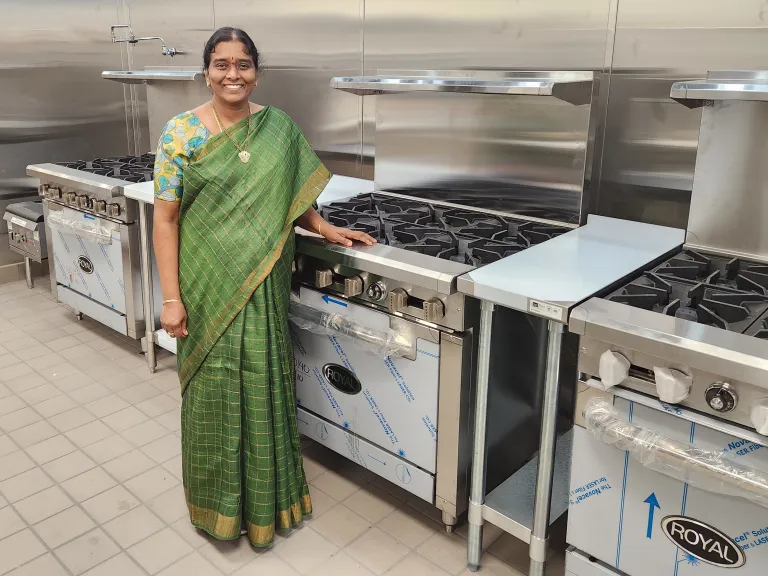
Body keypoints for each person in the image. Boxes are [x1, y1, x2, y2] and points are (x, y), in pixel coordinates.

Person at [152, 27, 376, 548]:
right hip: (206, 285)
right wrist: (170, 297)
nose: (233, 74)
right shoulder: (180, 134)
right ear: (206, 71)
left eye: (243, 64)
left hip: (265, 282)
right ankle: (217, 505)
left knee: (265, 382)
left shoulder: (279, 128)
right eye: (221, 63)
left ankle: (268, 501)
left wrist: (323, 228)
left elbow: (293, 199)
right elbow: (165, 221)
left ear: (257, 70)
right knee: (214, 393)